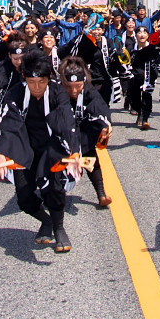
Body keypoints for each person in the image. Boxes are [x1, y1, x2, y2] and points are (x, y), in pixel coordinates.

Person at [0, 51, 79, 253]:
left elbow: (67, 120)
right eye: (32, 82)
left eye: (42, 82)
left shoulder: (58, 92)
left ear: (49, 79)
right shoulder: (16, 93)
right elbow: (6, 123)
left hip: (51, 146)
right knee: (24, 197)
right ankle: (45, 221)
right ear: (25, 79)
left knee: (54, 188)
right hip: (25, 145)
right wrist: (0, 152)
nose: (37, 87)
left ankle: (59, 227)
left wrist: (73, 151)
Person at [59, 56, 113, 208]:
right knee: (58, 162)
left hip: (83, 130)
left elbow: (101, 108)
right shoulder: (56, 90)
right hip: (62, 132)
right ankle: (57, 194)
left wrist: (105, 126)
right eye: (69, 86)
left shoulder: (89, 90)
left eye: (78, 86)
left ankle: (101, 194)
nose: (74, 91)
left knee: (91, 159)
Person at [129, 26, 160, 130]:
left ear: (148, 35)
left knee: (147, 97)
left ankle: (145, 118)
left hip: (149, 76)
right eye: (139, 33)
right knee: (135, 98)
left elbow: (158, 61)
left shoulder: (152, 48)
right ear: (135, 35)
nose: (142, 35)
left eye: (144, 33)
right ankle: (139, 113)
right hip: (135, 77)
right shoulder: (131, 48)